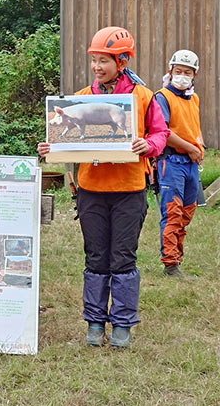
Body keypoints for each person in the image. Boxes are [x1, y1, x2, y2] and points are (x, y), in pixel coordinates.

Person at [38, 26, 168, 349]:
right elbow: (66, 140)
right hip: (91, 190)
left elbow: (160, 133)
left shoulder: (143, 97)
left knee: (122, 257)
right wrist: (50, 148)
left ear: (122, 62)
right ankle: (95, 321)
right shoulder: (80, 97)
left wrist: (149, 145)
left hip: (129, 190)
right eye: (94, 60)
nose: (97, 67)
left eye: (104, 61)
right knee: (95, 256)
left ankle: (122, 323)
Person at [153, 50, 203, 279]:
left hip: (191, 163)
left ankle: (177, 258)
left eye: (187, 72)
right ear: (170, 71)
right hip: (171, 161)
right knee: (172, 213)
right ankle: (170, 264)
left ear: (194, 75)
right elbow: (163, 132)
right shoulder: (162, 97)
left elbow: (195, 127)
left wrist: (199, 145)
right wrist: (190, 148)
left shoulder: (194, 98)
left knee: (186, 213)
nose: (182, 76)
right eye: (178, 71)